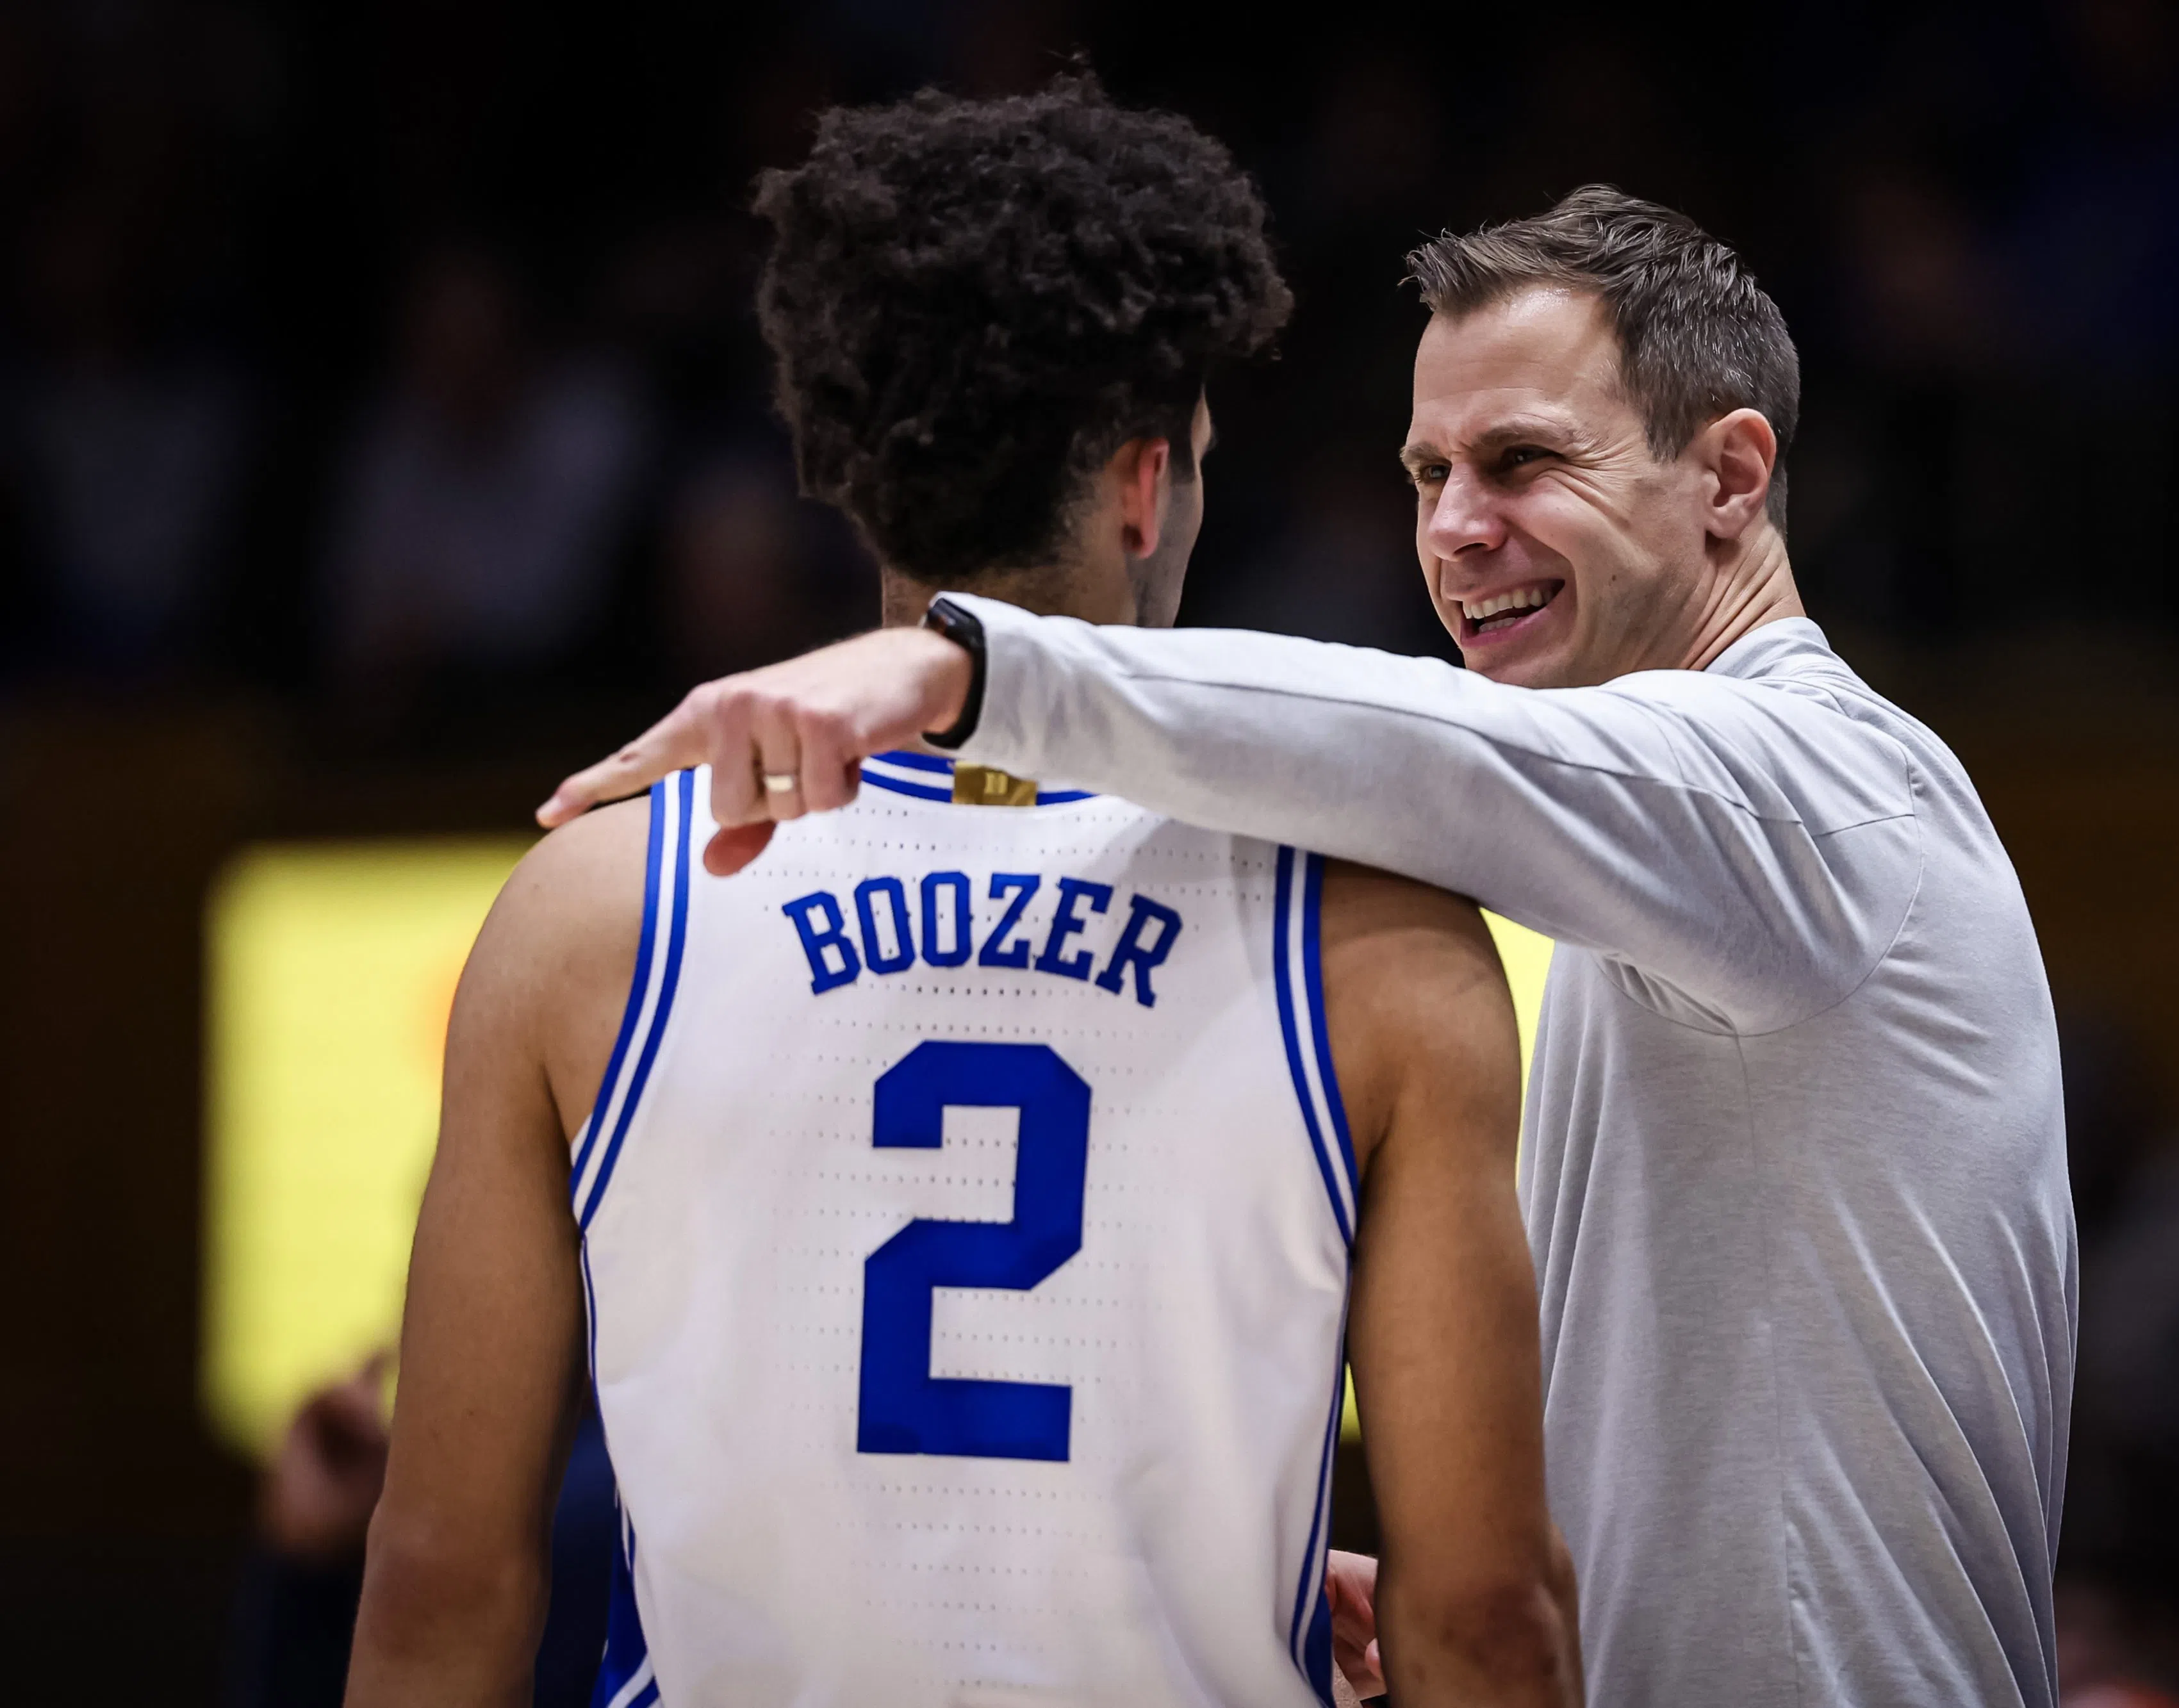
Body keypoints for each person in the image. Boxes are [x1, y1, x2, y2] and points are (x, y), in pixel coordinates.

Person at [547, 185, 2078, 1708]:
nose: (1453, 527)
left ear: (1728, 476)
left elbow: (1436, 752)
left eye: (1520, 461)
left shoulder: (1832, 793)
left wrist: (970, 671)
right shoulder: (1681, 873)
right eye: (1426, 473)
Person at [347, 79, 1579, 1708]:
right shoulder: (1374, 933)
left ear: (853, 467)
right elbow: (1480, 1613)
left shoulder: (587, 911)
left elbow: (442, 1580)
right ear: (1143, 483)